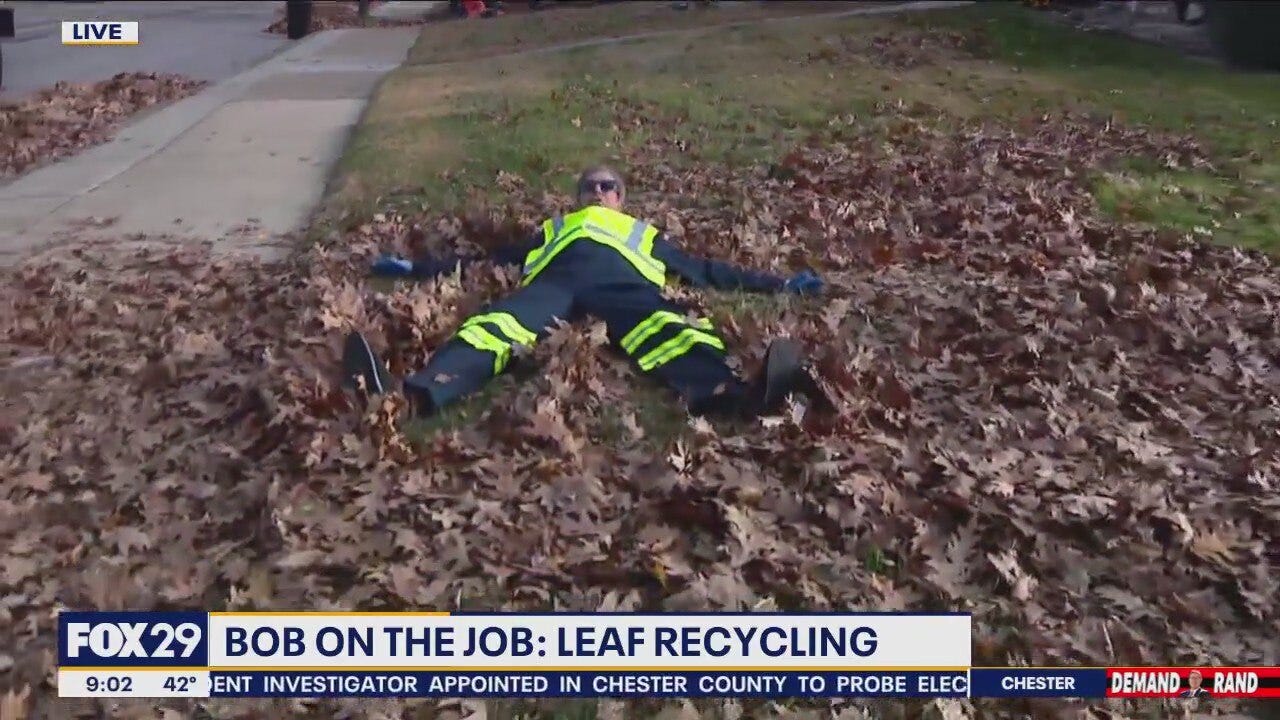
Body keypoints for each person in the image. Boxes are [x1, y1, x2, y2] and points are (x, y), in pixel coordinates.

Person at [343, 165, 827, 421]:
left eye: (607, 185)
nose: (597, 192)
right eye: (589, 187)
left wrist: (780, 283)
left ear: (621, 198)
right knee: (495, 327)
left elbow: (703, 270)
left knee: (670, 332)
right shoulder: (555, 229)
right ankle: (416, 394)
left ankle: (737, 398)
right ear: (578, 199)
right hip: (556, 284)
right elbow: (489, 262)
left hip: (624, 286)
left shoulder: (641, 233)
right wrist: (415, 269)